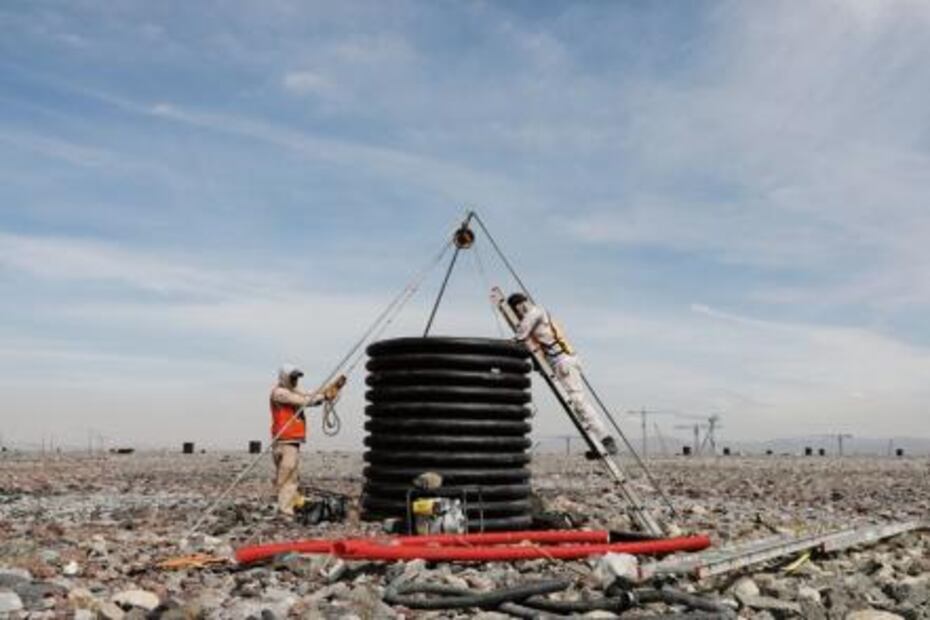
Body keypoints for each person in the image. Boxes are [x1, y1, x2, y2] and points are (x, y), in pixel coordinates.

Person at [506, 293, 619, 456]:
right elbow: (537, 343)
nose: (518, 315)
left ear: (519, 306)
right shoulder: (537, 316)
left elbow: (521, 335)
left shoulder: (535, 313)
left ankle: (606, 440)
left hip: (564, 362)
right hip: (560, 363)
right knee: (577, 405)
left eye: (516, 311)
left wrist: (510, 342)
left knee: (578, 402)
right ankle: (598, 443)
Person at [269, 364, 344, 516]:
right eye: (293, 377)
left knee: (289, 475)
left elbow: (311, 395)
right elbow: (305, 401)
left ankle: (293, 503)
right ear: (284, 377)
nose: (295, 380)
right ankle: (286, 511)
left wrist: (331, 388)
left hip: (290, 442)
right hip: (285, 441)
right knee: (288, 478)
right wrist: (324, 396)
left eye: (296, 377)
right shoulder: (280, 393)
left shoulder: (292, 391)